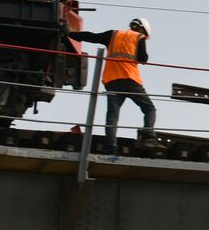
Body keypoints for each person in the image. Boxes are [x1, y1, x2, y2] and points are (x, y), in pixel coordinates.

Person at [67, 18, 159, 154]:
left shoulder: (113, 34)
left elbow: (91, 37)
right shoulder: (139, 37)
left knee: (112, 115)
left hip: (112, 80)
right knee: (149, 109)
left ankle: (110, 148)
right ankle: (149, 137)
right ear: (142, 30)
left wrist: (69, 33)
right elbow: (143, 58)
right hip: (130, 79)